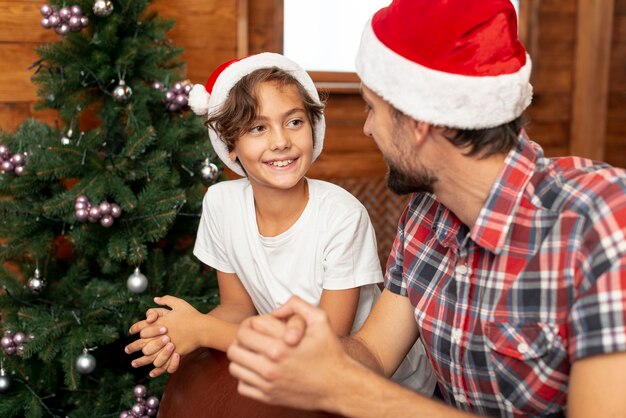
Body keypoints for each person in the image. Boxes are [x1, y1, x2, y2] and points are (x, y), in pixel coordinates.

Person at [225, 1, 626, 417]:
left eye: (371, 109)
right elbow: (373, 352)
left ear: (418, 122)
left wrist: (347, 390)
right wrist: (318, 354)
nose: (367, 128)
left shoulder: (602, 221)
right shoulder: (424, 215)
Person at [124, 52, 436, 395]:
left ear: (313, 129)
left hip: (384, 389)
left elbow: (328, 345)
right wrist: (173, 335)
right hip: (297, 373)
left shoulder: (342, 216)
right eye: (258, 128)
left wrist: (203, 330)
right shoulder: (221, 204)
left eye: (294, 122)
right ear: (230, 145)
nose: (281, 141)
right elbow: (237, 308)